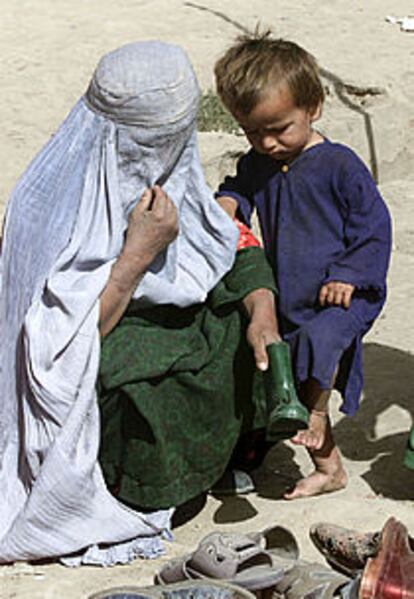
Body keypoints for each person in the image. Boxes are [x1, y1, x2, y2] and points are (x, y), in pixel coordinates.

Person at [0, 41, 280, 565]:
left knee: (246, 336)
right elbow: (54, 350)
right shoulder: (46, 206)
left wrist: (261, 310)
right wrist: (136, 256)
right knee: (145, 390)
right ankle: (143, 485)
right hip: (107, 342)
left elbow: (224, 239)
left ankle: (221, 458)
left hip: (169, 325)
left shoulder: (170, 171)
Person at [214, 31, 392, 499]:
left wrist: (349, 274)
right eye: (254, 132)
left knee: (319, 343)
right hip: (292, 292)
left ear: (312, 108)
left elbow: (374, 227)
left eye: (280, 129)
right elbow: (240, 185)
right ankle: (329, 469)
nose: (268, 143)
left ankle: (313, 413)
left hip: (346, 295)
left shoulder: (339, 165)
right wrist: (230, 202)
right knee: (279, 366)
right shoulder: (261, 162)